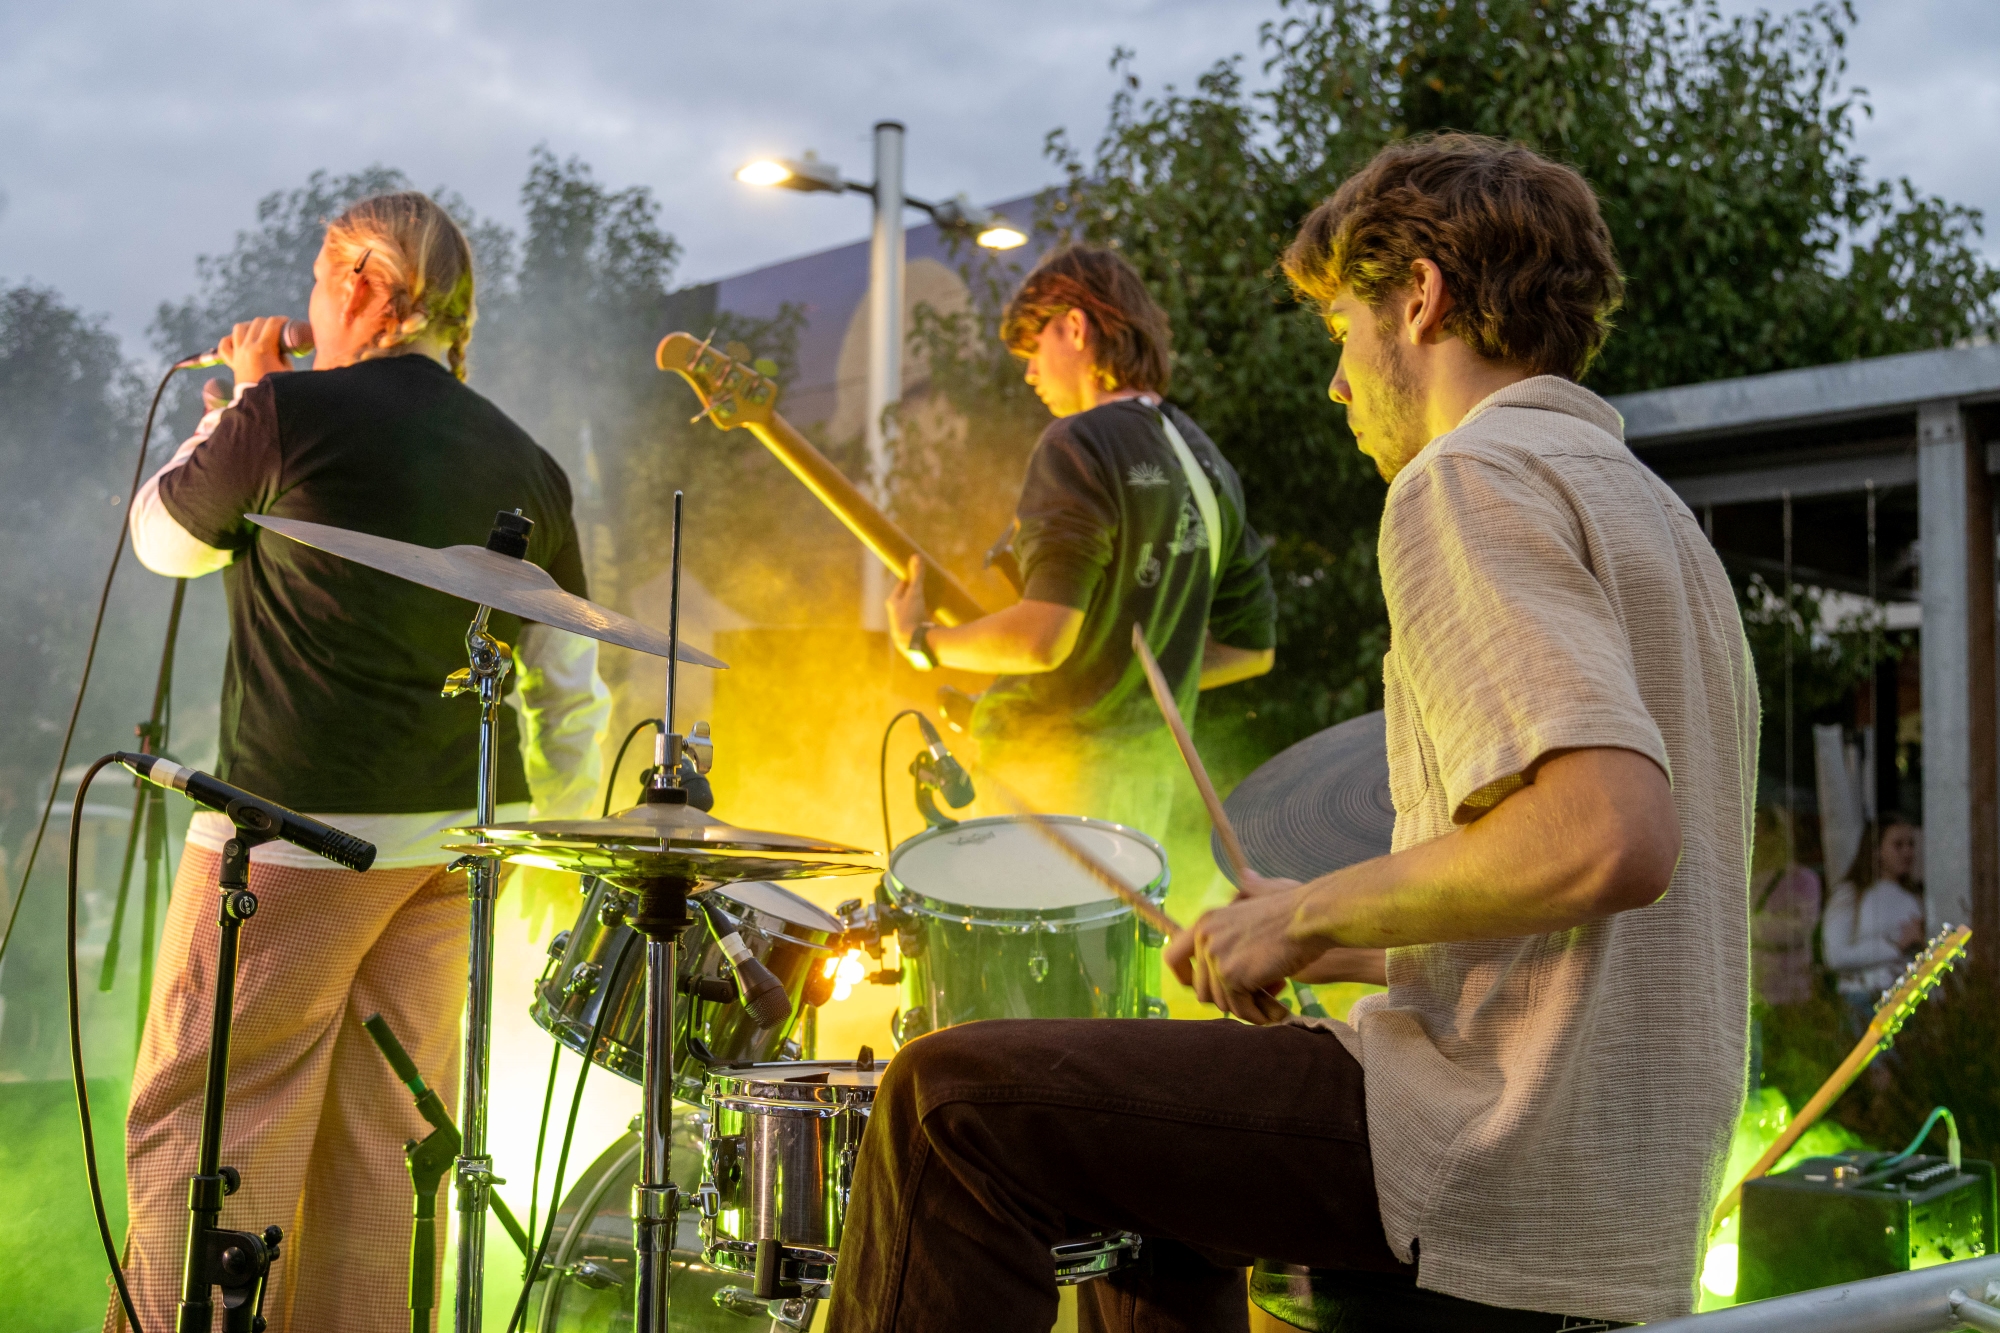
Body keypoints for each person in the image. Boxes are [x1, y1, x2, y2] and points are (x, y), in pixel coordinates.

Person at [826, 134, 1754, 1333]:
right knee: (1156, 1193)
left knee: (944, 1103)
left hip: (1478, 1143)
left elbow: (1608, 837)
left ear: (1415, 297)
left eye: (1339, 334)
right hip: (1609, 1190)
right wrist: (1332, 942)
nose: (1336, 383)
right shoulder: (1655, 516)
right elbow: (1583, 924)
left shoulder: (1466, 477)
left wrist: (1304, 910)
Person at [114, 192, 610, 1333]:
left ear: (370, 289)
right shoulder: (526, 460)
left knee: (210, 1122)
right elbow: (571, 681)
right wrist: (547, 842)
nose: (305, 311)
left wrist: (242, 399)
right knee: (384, 1142)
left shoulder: (285, 409)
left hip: (295, 838)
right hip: (454, 847)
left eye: (320, 281)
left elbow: (161, 539)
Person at [883, 244, 1276, 837]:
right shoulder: (1205, 459)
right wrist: (1127, 675)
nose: (1030, 373)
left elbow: (1043, 639)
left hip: (1049, 787)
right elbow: (1253, 651)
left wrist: (922, 641)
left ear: (1073, 327)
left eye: (1033, 349)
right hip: (1147, 791)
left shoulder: (1077, 443)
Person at [1822, 815, 1925, 1036]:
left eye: (1911, 845)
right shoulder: (1851, 895)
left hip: (1906, 999)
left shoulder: (1914, 897)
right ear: (1877, 850)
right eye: (1898, 845)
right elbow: (1836, 956)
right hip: (1864, 998)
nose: (1907, 852)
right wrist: (1896, 946)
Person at [1747, 805, 1823, 1087]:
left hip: (1791, 995)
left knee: (1789, 1072)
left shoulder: (1802, 880)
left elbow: (1796, 930)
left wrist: (1748, 924)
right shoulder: (1744, 878)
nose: (1758, 838)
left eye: (1763, 830)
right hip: (1754, 996)